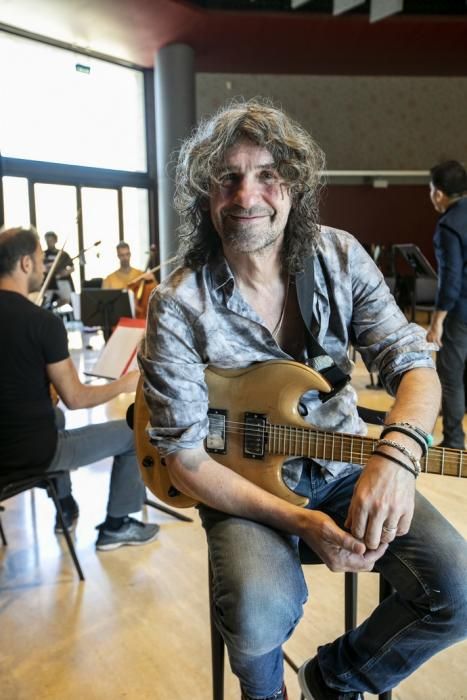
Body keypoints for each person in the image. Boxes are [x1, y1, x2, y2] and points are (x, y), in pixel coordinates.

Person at [139, 100, 467, 700]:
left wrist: (395, 457)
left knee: (459, 588)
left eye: (266, 174)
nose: (246, 195)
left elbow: (415, 365)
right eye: (227, 177)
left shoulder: (339, 257)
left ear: (292, 185)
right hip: (239, 485)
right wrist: (300, 521)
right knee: (257, 612)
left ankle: (336, 678)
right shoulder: (178, 304)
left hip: (343, 467)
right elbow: (184, 458)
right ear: (204, 194)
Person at [0, 226, 159, 551]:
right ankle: (117, 525)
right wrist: (122, 384)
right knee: (134, 433)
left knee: (53, 418)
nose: (45, 267)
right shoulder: (42, 323)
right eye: (42, 260)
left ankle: (66, 504)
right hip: (26, 454)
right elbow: (75, 398)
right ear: (25, 264)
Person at [426, 160, 467, 449]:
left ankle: (454, 441)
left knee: (450, 377)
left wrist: (437, 321)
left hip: (461, 313)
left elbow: (450, 280)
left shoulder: (449, 226)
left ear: (439, 193)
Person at [43, 230, 75, 301]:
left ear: (55, 240)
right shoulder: (43, 254)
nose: (49, 242)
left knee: (68, 299)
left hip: (62, 281)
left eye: (51, 240)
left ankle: (55, 308)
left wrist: (66, 272)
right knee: (44, 300)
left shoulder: (63, 254)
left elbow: (72, 267)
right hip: (49, 283)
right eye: (47, 240)